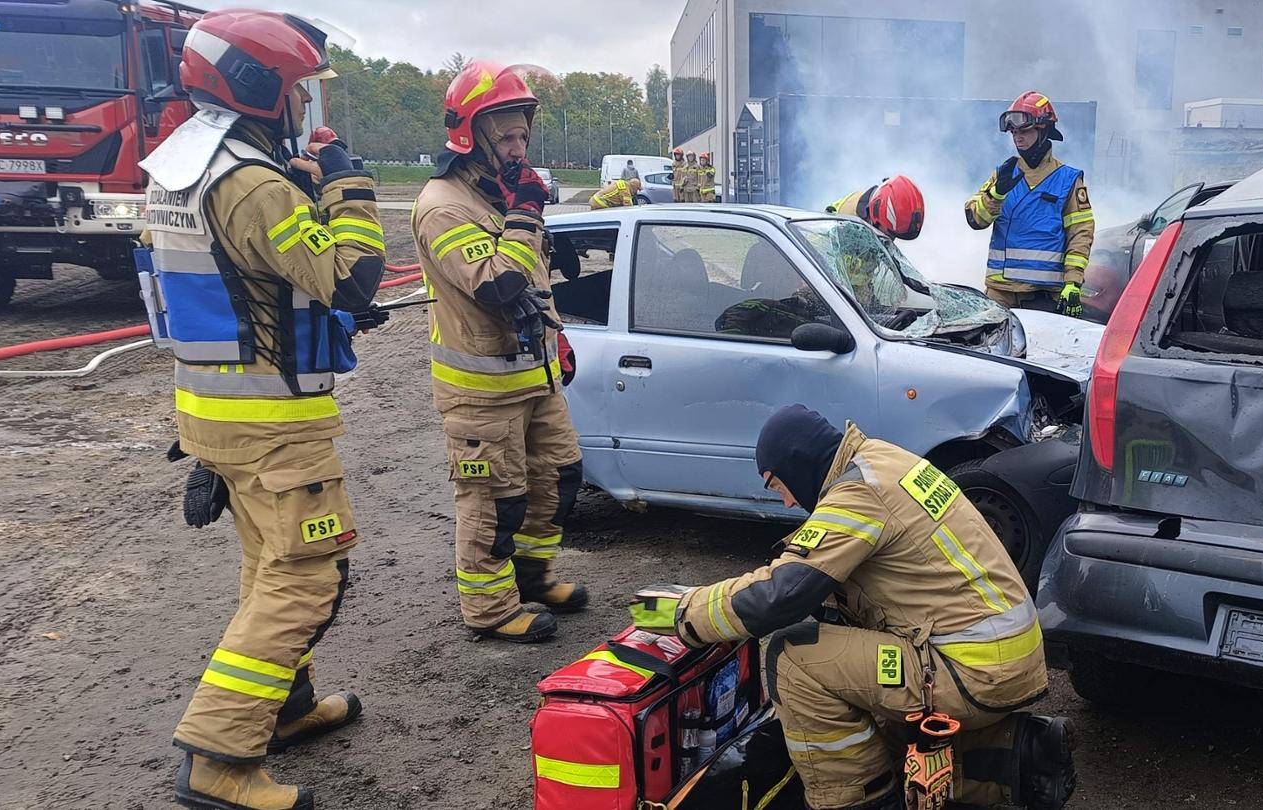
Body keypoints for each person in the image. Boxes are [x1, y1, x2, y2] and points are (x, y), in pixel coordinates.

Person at [141, 10, 388, 810]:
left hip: (215, 411)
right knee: (307, 577)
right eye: (299, 93)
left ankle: (281, 710)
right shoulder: (252, 183)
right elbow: (352, 278)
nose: (306, 110)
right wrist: (347, 182)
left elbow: (241, 282)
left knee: (265, 569)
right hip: (273, 422)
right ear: (259, 88)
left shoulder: (181, 167)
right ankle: (219, 756)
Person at [629, 405, 1077, 810]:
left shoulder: (858, 492)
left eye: (778, 484)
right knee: (855, 698)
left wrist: (679, 612)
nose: (786, 500)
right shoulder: (884, 460)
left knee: (796, 659)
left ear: (797, 463)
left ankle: (859, 800)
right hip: (1001, 656)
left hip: (969, 669)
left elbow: (782, 596)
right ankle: (1017, 758)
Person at [414, 59, 589, 644]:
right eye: (506, 137)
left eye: (523, 135)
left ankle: (532, 579)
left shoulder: (499, 194)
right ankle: (489, 609)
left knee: (558, 479)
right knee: (494, 503)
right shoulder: (445, 204)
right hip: (481, 393)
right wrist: (526, 214)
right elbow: (495, 282)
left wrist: (555, 335)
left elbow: (532, 282)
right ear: (471, 137)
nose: (519, 149)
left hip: (534, 376)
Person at [965, 91, 1095, 317]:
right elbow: (975, 219)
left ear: (1043, 129)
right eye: (1014, 132)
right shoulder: (1003, 174)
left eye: (1024, 131)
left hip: (1045, 295)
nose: (1017, 137)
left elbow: (1080, 233)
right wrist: (996, 194)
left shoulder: (1068, 179)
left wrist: (1073, 282)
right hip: (1001, 293)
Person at [827, 175, 926, 242]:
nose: (891, 240)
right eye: (890, 234)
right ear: (877, 217)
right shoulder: (847, 228)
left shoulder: (866, 207)